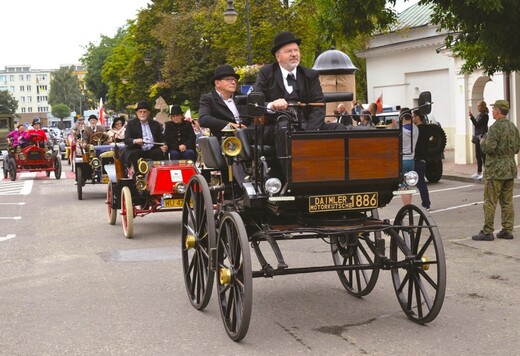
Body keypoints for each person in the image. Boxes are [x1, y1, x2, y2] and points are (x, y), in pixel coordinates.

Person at [252, 31, 344, 154]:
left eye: (296, 50)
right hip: (276, 124)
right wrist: (272, 105)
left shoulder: (310, 75)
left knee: (340, 129)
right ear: (277, 56)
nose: (294, 54)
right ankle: (291, 173)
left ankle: (334, 171)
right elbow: (256, 102)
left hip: (306, 125)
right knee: (284, 128)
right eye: (289, 51)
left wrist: (309, 132)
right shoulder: (266, 73)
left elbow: (319, 104)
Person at [472, 100, 520, 241]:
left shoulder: (495, 128)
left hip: (495, 170)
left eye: (493, 109)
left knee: (490, 201)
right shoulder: (513, 127)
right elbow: (517, 148)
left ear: (498, 111)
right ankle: (507, 229)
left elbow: (489, 148)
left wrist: (482, 142)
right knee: (507, 201)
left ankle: (487, 231)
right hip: (509, 168)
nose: (492, 111)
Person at [199, 65, 248, 140]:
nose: (233, 82)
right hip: (224, 142)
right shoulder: (208, 98)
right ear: (217, 83)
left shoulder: (243, 97)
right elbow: (204, 119)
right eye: (228, 79)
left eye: (234, 79)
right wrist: (230, 125)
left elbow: (253, 118)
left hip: (247, 138)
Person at [123, 101, 168, 172]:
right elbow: (126, 139)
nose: (142, 114)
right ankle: (138, 176)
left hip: (152, 150)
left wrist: (164, 145)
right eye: (140, 112)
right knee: (136, 154)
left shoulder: (155, 124)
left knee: (159, 152)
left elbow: (162, 139)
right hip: (137, 149)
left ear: (148, 113)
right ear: (137, 113)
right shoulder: (131, 124)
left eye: (144, 112)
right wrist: (135, 141)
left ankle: (158, 174)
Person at [412, 110, 431, 210]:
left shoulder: (417, 129)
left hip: (418, 157)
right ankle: (426, 202)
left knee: (420, 183)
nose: (413, 118)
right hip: (423, 157)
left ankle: (426, 203)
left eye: (414, 116)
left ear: (418, 117)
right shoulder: (426, 129)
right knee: (420, 182)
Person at [400, 108, 419, 205]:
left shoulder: (401, 130)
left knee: (403, 187)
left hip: (402, 160)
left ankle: (406, 208)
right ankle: (409, 206)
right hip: (411, 159)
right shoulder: (415, 128)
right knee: (408, 185)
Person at [469, 100, 489, 179]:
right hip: (477, 137)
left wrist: (471, 117)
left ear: (483, 107)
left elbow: (477, 124)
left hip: (482, 137)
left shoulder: (485, 116)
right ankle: (478, 172)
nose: (478, 108)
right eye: (477, 106)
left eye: (479, 106)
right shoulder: (480, 115)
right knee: (477, 155)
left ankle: (486, 172)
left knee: (483, 155)